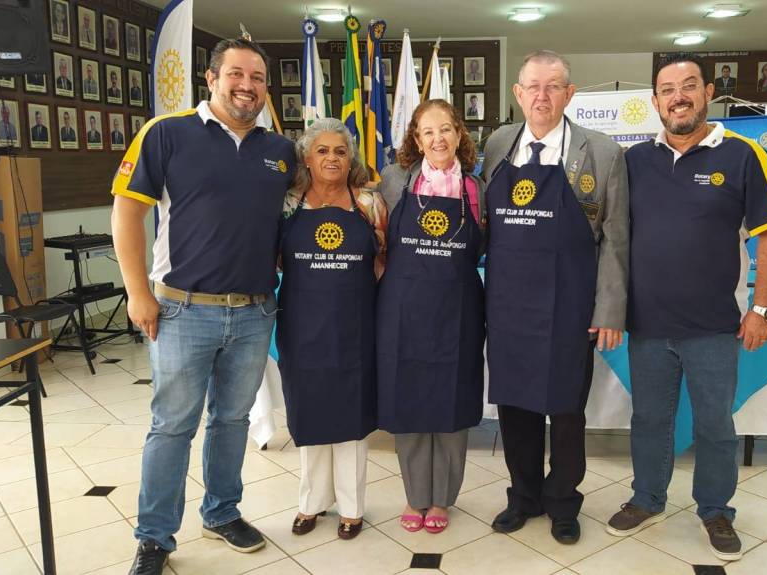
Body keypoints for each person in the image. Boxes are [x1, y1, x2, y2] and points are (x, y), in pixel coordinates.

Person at [111, 38, 295, 575]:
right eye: (236, 74)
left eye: (257, 77)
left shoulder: (280, 150)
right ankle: (154, 537)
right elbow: (126, 212)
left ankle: (221, 512)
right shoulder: (166, 133)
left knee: (232, 420)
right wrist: (137, 291)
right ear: (211, 79)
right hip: (182, 311)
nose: (247, 85)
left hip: (255, 312)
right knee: (172, 426)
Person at [607, 52, 767, 561]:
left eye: (689, 86)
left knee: (714, 425)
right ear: (655, 101)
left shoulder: (743, 155)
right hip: (648, 325)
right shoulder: (634, 161)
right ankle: (647, 498)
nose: (678, 97)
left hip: (714, 326)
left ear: (708, 93)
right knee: (648, 420)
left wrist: (762, 308)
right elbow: (614, 239)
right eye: (668, 89)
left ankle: (715, 510)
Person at [481, 50, 628, 545]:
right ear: (518, 94)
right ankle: (523, 496)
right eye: (533, 87)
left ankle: (563, 501)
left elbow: (615, 239)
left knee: (566, 410)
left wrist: (609, 310)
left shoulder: (602, 152)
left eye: (553, 86)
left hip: (571, 305)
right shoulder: (498, 144)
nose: (541, 96)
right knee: (515, 407)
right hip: (509, 305)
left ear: (569, 94)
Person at [375, 99, 486, 534]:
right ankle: (416, 494)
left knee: (452, 400)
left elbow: (487, 244)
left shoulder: (477, 188)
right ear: (416, 141)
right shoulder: (394, 180)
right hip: (404, 309)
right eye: (427, 132)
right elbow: (377, 237)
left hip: (458, 309)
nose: (438, 139)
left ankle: (442, 499)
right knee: (410, 398)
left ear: (459, 134)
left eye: (445, 129)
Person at [278, 118, 387, 541]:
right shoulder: (288, 203)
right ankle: (311, 502)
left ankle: (352, 507)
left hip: (356, 325)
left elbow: (384, 258)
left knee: (351, 415)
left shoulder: (369, 203)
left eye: (340, 151)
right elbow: (274, 257)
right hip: (302, 324)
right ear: (306, 157)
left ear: (351, 158)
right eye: (322, 150)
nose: (331, 158)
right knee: (309, 411)